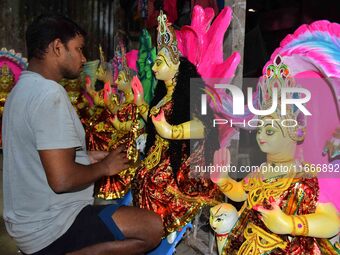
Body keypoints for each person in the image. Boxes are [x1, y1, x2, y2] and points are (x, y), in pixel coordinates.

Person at [2, 14, 163, 255]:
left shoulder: (22, 89)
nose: (84, 58)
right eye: (78, 49)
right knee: (152, 227)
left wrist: (85, 158)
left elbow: (36, 157)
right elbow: (62, 180)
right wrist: (105, 167)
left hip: (27, 225)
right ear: (57, 48)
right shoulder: (49, 94)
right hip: (53, 228)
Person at [211, 56, 340, 254]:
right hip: (245, 243)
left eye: (269, 131)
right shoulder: (262, 171)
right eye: (259, 129)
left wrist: (289, 224)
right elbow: (241, 191)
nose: (260, 136)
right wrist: (224, 181)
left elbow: (332, 222)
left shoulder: (305, 177)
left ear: (295, 132)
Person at [131, 11, 222, 242]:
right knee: (141, 175)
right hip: (157, 155)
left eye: (159, 63)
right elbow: (154, 121)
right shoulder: (162, 95)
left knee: (154, 181)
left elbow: (205, 126)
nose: (153, 68)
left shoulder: (193, 93)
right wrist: (141, 103)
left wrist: (172, 131)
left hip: (178, 160)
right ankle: (150, 225)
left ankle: (168, 221)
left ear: (174, 64)